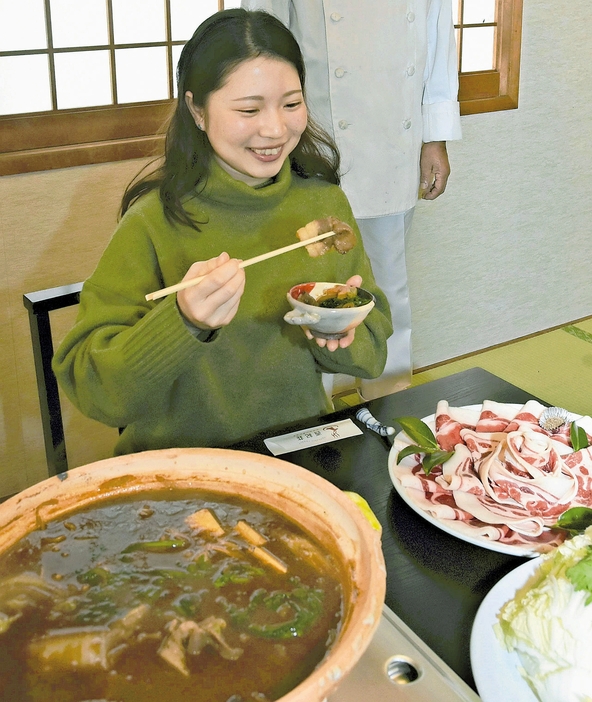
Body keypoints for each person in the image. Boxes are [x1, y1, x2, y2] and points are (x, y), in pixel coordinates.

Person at [52, 8, 392, 455]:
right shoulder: (153, 221)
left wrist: (336, 331)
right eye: (249, 109)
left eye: (291, 104)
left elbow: (372, 354)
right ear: (196, 109)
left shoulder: (324, 205)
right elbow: (96, 392)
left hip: (296, 451)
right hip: (181, 463)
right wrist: (184, 322)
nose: (274, 129)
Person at [242, 0, 462, 400]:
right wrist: (265, 126)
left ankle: (391, 398)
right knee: (307, 283)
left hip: (394, 143)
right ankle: (310, 410)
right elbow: (259, 33)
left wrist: (436, 136)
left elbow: (437, 37)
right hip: (315, 137)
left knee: (387, 284)